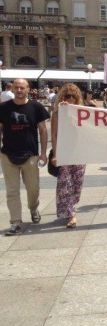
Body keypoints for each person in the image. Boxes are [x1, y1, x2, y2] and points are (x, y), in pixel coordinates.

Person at [0, 79, 49, 235]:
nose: (19, 89)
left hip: (30, 155)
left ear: (28, 89)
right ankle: (15, 222)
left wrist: (43, 153)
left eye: (22, 87)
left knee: (33, 189)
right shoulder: (3, 108)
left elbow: (43, 130)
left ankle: (33, 208)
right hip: (8, 154)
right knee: (12, 191)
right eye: (16, 87)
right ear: (12, 89)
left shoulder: (36, 107)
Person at [50, 83, 86, 229]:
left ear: (77, 98)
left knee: (77, 185)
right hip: (64, 153)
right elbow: (54, 134)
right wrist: (55, 154)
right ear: (61, 97)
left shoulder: (83, 112)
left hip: (79, 153)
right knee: (65, 184)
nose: (70, 98)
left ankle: (71, 206)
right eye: (66, 96)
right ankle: (71, 214)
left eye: (73, 96)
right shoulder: (58, 113)